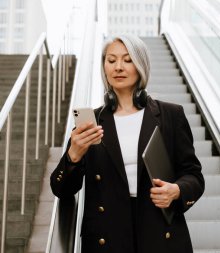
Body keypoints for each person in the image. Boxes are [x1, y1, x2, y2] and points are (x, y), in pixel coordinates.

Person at [50, 35, 205, 253]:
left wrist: (177, 190)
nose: (118, 67)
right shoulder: (90, 122)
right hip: (107, 236)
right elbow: (62, 190)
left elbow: (194, 176)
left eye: (127, 59)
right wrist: (73, 156)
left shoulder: (171, 114)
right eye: (111, 60)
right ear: (104, 67)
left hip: (160, 233)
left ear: (141, 65)